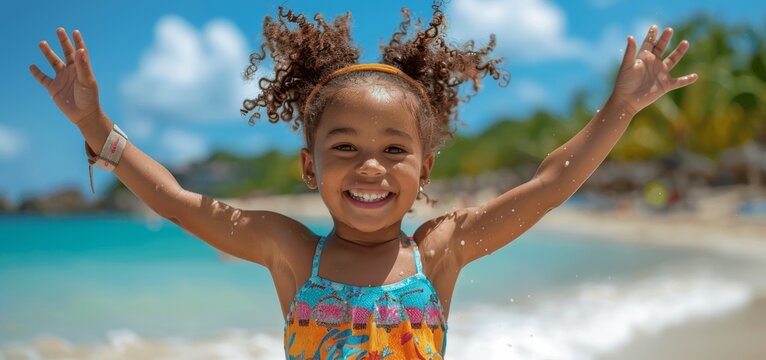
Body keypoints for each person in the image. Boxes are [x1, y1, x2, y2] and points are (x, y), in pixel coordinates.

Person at [28, 1, 697, 358]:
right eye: (344, 147)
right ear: (310, 165)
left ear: (425, 167)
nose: (370, 167)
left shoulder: (439, 251)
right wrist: (98, 130)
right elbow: (175, 200)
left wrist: (619, 111)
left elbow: (550, 184)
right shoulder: (292, 251)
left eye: (394, 149)